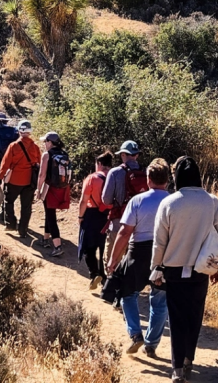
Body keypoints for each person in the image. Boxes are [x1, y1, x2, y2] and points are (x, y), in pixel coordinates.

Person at [152, 157, 218, 382]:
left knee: (176, 319)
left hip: (173, 270)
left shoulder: (169, 203)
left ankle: (176, 369)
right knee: (195, 316)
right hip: (201, 270)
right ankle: (188, 361)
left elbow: (159, 242)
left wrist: (156, 269)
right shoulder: (212, 202)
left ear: (177, 177)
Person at [103, 158, 172, 358]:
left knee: (127, 295)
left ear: (148, 179)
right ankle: (151, 344)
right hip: (165, 255)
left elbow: (124, 232)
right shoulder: (173, 201)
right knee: (159, 300)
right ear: (167, 180)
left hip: (138, 252)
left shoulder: (138, 200)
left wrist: (113, 259)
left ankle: (135, 333)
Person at [102, 140, 147, 272]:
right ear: (136, 155)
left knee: (112, 261)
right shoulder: (147, 172)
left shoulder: (115, 172)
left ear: (123, 154)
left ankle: (110, 288)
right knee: (131, 265)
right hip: (141, 226)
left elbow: (106, 200)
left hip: (119, 223)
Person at [78, 151, 114, 290]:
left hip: (92, 214)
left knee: (89, 247)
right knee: (104, 246)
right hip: (109, 215)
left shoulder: (92, 178)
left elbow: (83, 201)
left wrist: (80, 217)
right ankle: (104, 276)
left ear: (99, 164)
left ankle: (94, 274)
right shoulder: (115, 176)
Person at [0, 120, 41, 239]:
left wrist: (0, 178)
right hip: (30, 181)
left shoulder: (13, 146)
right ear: (30, 132)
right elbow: (38, 164)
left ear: (19, 130)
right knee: (26, 206)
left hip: (14, 180)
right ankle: (23, 230)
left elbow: (5, 164)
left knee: (8, 201)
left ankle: (11, 224)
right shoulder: (35, 147)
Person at [36, 132, 72, 257]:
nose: (44, 144)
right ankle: (46, 239)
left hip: (50, 188)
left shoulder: (47, 155)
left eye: (45, 142)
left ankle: (57, 246)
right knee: (49, 212)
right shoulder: (64, 154)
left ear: (50, 142)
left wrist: (38, 189)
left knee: (51, 216)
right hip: (63, 188)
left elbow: (42, 175)